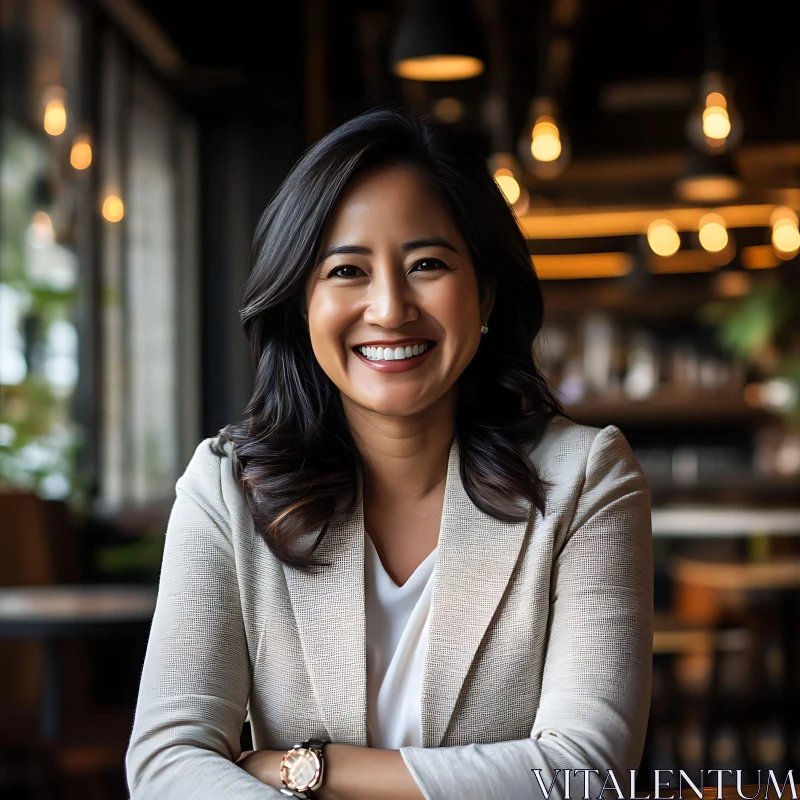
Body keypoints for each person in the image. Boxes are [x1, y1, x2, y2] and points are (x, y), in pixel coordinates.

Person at [125, 106, 653, 800]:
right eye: (347, 270)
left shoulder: (584, 479)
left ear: (485, 291)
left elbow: (587, 771)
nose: (390, 308)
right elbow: (167, 763)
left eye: (427, 264)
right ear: (301, 303)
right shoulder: (227, 489)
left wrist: (305, 769)